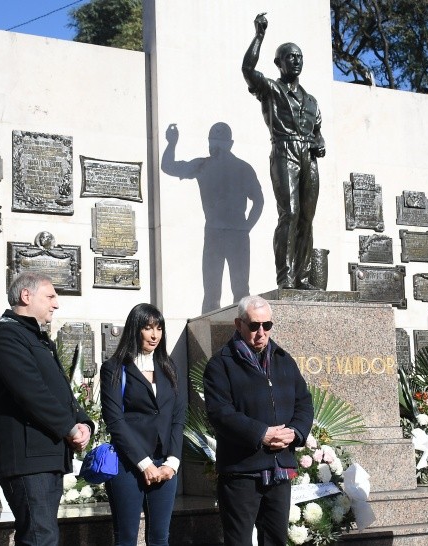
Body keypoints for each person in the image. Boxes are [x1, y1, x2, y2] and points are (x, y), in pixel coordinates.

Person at [0, 271, 94, 545]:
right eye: (50, 296)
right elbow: (31, 392)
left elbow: (62, 391)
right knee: (38, 537)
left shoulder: (36, 337)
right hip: (27, 458)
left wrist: (83, 422)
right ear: (26, 295)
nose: (56, 304)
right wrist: (69, 428)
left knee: (43, 535)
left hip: (45, 454)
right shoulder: (5, 336)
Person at [203, 295, 314, 545]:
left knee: (275, 540)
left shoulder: (284, 360)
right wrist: (261, 433)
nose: (261, 332)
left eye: (267, 325)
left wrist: (295, 432)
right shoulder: (221, 364)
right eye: (254, 325)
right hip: (241, 472)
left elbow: (304, 403)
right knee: (239, 541)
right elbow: (220, 413)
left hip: (279, 470)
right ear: (238, 324)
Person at [243, 13, 326, 290]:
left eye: (299, 56)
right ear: (279, 62)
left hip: (308, 157)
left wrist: (319, 141)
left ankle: (302, 276)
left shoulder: (312, 100)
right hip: (283, 150)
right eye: (290, 56)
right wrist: (260, 35)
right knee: (289, 213)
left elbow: (317, 130)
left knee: (307, 217)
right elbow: (247, 69)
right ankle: (286, 276)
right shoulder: (271, 89)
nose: (296, 60)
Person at [100, 303, 187, 546]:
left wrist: (173, 462)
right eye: (148, 328)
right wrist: (144, 463)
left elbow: (178, 417)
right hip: (128, 464)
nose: (154, 335)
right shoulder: (115, 368)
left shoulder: (170, 367)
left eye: (158, 328)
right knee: (126, 538)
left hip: (165, 463)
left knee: (160, 538)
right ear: (135, 329)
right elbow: (115, 421)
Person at [161, 122, 264, 312]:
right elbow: (167, 167)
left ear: (230, 144)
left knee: (239, 291)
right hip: (217, 234)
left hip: (234, 235)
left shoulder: (241, 168)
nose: (214, 146)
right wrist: (172, 143)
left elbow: (259, 201)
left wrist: (245, 228)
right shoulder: (204, 165)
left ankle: (242, 336)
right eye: (211, 142)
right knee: (212, 292)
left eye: (218, 142)